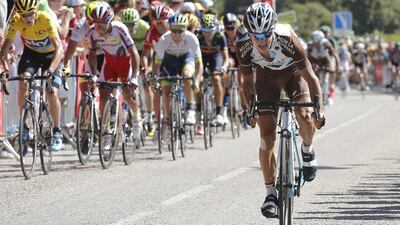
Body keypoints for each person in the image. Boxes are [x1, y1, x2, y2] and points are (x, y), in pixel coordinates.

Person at [237, 2, 325, 218]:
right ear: (248, 33)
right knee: (267, 137)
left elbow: (311, 78)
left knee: (304, 115)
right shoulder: (243, 46)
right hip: (267, 79)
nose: (261, 40)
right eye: (255, 35)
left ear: (273, 29)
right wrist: (250, 109)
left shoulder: (288, 39)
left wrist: (318, 110)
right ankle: (270, 194)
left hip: (294, 75)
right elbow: (247, 82)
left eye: (266, 33)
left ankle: (307, 148)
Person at [0, 0, 65, 152]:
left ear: (36, 11)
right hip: (32, 56)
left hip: (51, 56)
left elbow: (60, 49)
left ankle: (57, 131)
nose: (27, 18)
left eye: (30, 14)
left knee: (51, 92)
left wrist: (51, 70)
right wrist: (5, 69)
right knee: (24, 82)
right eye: (23, 15)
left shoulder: (46, 18)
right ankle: (25, 125)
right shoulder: (16, 20)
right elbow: (4, 50)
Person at [87, 4, 141, 142]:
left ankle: (136, 117)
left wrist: (134, 78)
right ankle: (106, 130)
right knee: (104, 93)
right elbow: (92, 55)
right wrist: (94, 74)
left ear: (110, 22)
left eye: (102, 25)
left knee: (128, 95)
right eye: (96, 24)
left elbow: (134, 53)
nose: (99, 28)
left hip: (125, 64)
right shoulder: (92, 32)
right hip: (109, 64)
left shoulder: (119, 28)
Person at [152, 14, 203, 142]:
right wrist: (155, 79)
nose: (177, 34)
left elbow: (198, 63)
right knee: (165, 89)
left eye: (180, 30)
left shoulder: (192, 38)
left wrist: (196, 79)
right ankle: (167, 121)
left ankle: (190, 109)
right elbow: (157, 64)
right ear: (170, 29)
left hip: (186, 58)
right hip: (170, 61)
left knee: (187, 76)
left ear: (185, 30)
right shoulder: (164, 39)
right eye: (174, 30)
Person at [195, 13, 229, 132]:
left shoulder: (220, 36)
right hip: (202, 57)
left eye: (210, 31)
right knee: (197, 82)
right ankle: (198, 110)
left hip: (216, 57)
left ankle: (219, 113)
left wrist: (224, 67)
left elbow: (225, 58)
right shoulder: (198, 36)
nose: (207, 34)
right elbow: (193, 56)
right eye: (205, 31)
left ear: (215, 29)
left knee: (216, 78)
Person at [222, 12, 250, 129]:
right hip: (230, 58)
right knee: (228, 68)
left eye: (232, 28)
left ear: (236, 27)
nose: (230, 30)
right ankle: (227, 90)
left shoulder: (241, 34)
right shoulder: (222, 36)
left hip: (241, 58)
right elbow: (224, 54)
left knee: (242, 85)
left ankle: (245, 111)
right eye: (228, 28)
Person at [308, 30, 339, 105]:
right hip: (315, 60)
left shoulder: (326, 44)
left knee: (328, 76)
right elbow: (307, 58)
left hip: (326, 60)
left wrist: (336, 67)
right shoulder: (310, 45)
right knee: (314, 75)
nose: (317, 45)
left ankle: (328, 94)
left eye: (318, 43)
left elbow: (334, 56)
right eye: (315, 43)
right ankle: (315, 94)